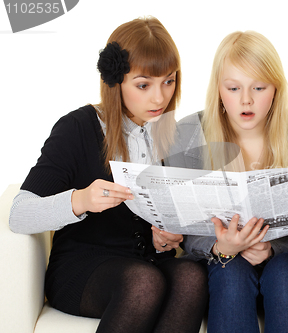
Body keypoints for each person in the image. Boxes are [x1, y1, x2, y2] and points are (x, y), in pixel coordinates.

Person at [9, 17, 208, 333]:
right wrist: (80, 200)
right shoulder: (78, 128)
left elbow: (153, 229)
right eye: (144, 85)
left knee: (191, 277)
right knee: (143, 282)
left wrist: (161, 240)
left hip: (145, 264)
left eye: (169, 81)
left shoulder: (171, 135)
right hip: (83, 269)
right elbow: (19, 214)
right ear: (116, 81)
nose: (159, 98)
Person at [158, 31, 288, 333]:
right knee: (231, 268)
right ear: (218, 90)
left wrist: (273, 247)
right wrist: (221, 247)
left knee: (285, 270)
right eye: (234, 88)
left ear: (276, 88)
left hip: (286, 267)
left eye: (259, 87)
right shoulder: (185, 135)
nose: (246, 100)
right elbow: (181, 224)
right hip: (221, 268)